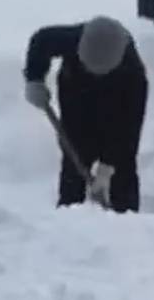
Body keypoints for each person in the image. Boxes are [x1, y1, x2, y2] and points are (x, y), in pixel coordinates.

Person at [23, 16, 147, 213]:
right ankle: (69, 215)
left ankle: (126, 221)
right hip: (76, 95)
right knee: (75, 154)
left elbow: (128, 132)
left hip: (115, 106)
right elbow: (41, 41)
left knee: (122, 168)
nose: (94, 74)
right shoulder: (73, 38)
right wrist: (34, 79)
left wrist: (107, 169)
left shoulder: (134, 76)